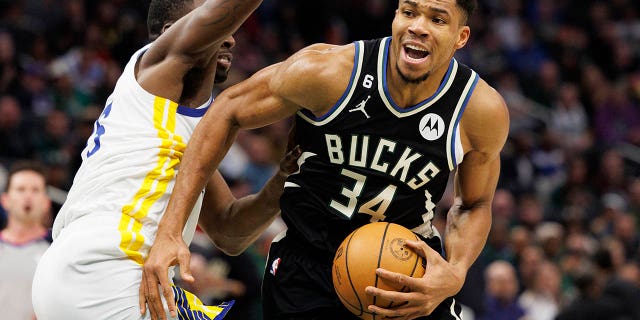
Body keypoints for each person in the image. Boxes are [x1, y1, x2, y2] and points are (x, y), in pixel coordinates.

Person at [144, 0, 509, 319]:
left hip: (408, 269)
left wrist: (457, 270)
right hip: (308, 266)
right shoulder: (330, 72)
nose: (418, 27)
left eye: (437, 19)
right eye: (409, 12)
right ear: (395, 16)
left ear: (461, 36)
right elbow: (228, 109)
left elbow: (475, 203)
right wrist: (171, 231)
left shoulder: (479, 110)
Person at [31, 0, 301, 319]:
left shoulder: (172, 129)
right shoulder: (155, 68)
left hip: (75, 272)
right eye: (219, 26)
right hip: (110, 266)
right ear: (171, 33)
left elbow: (229, 231)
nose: (231, 37)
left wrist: (284, 180)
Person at [0, 161, 51, 320]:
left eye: (35, 190)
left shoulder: (57, 250)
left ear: (46, 203)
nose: (28, 196)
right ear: (5, 200)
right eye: (20, 189)